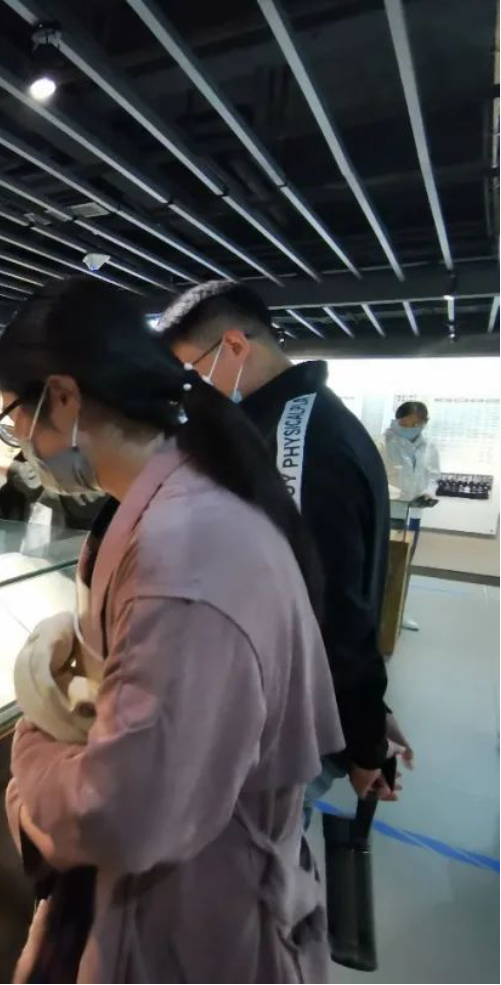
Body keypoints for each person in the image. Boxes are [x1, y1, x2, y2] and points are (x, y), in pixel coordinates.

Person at [0, 278, 340, 983]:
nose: (20, 445)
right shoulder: (185, 500)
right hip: (182, 905)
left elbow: (124, 813)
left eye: (14, 419)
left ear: (63, 397)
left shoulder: (185, 546)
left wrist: (34, 738)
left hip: (193, 925)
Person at [159, 280, 397, 802]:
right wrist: (370, 713)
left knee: (263, 843)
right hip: (293, 702)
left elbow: (327, 601)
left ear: (234, 346)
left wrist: (365, 739)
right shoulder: (301, 418)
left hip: (290, 717)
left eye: (195, 370)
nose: (192, 388)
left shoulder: (295, 438)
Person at [381, 400, 439, 558]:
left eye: (416, 424)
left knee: (405, 558)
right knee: (387, 559)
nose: (410, 428)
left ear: (425, 422)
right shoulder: (383, 444)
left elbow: (433, 476)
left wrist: (429, 492)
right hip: (390, 512)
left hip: (414, 512)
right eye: (405, 424)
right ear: (397, 421)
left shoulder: (429, 447)